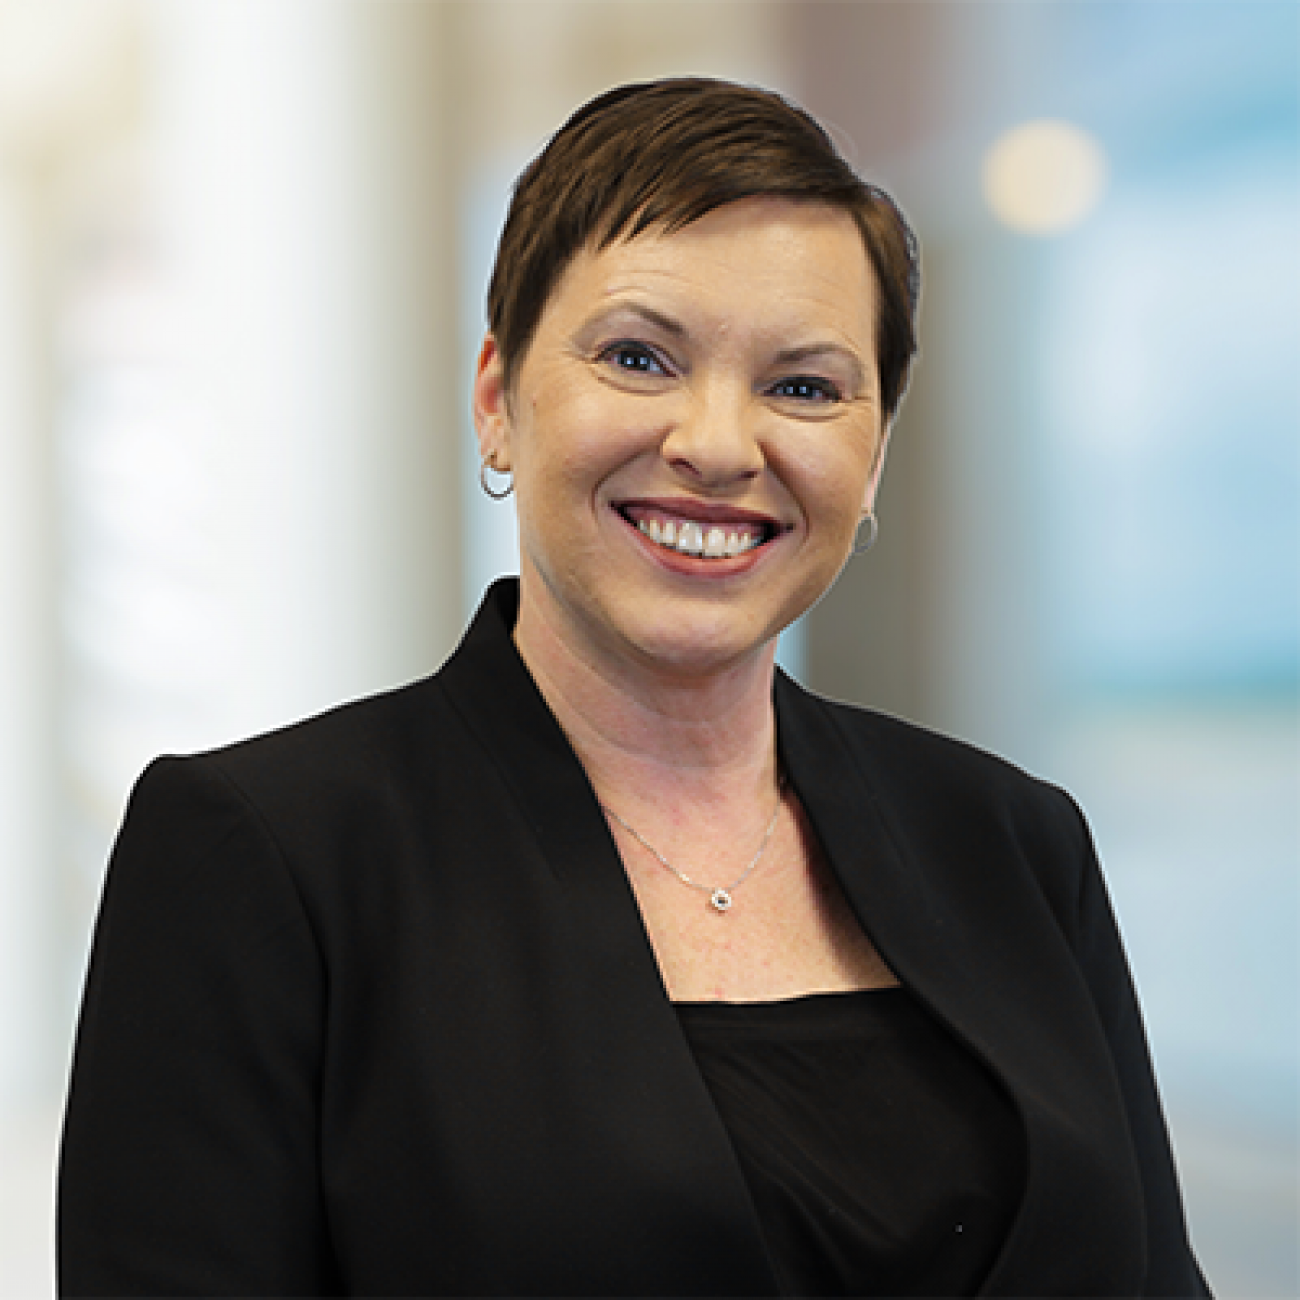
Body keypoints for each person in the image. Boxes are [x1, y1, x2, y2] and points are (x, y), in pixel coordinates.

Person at [58, 77, 1212, 1299]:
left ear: (873, 453)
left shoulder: (1013, 842)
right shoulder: (267, 857)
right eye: (638, 357)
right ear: (499, 398)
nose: (719, 444)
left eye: (805, 386)